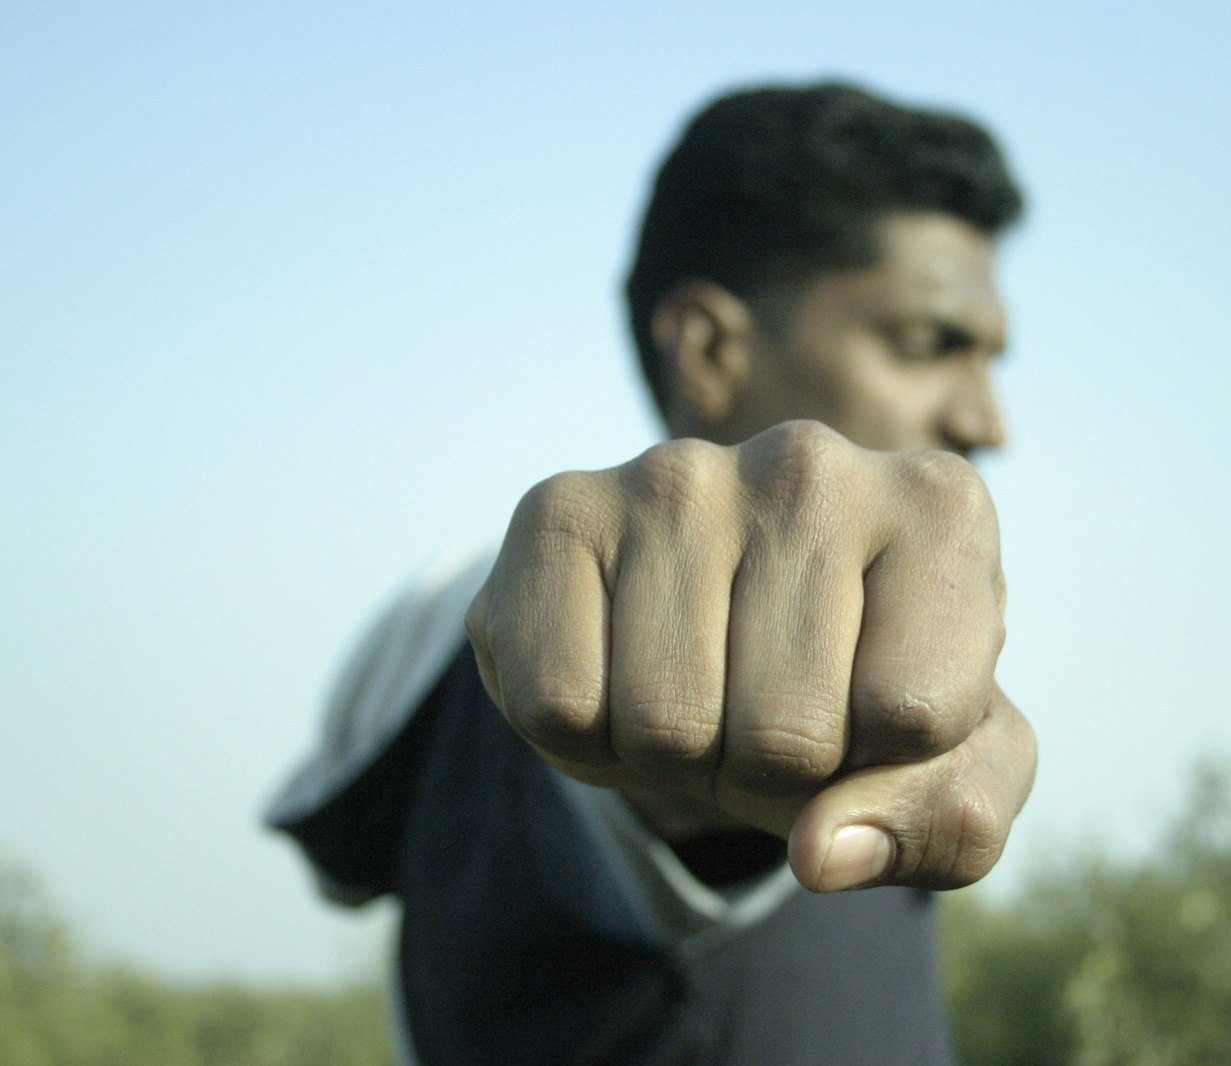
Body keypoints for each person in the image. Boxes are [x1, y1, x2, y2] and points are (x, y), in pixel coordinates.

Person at [267, 81, 1038, 1065]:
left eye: (992, 359)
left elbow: (342, 864)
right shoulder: (459, 622)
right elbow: (642, 757)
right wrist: (691, 785)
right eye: (930, 344)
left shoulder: (412, 636)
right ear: (709, 348)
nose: (985, 420)